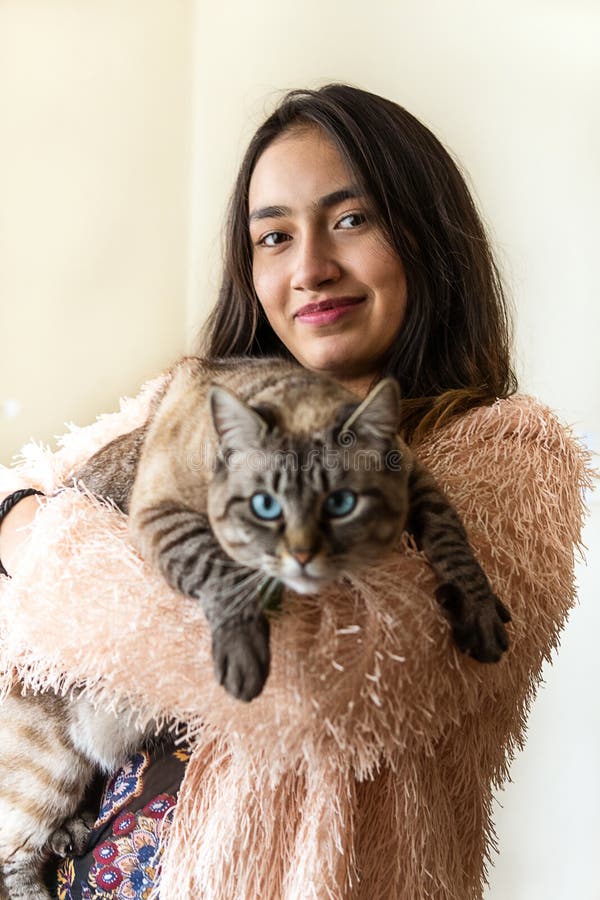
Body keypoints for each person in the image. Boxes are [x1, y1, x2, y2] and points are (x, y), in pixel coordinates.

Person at [0, 84, 583, 899]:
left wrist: (42, 543)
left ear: (427, 233)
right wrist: (26, 521)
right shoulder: (205, 394)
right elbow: (25, 496)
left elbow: (318, 682)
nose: (309, 267)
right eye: (273, 235)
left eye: (352, 219)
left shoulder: (505, 448)